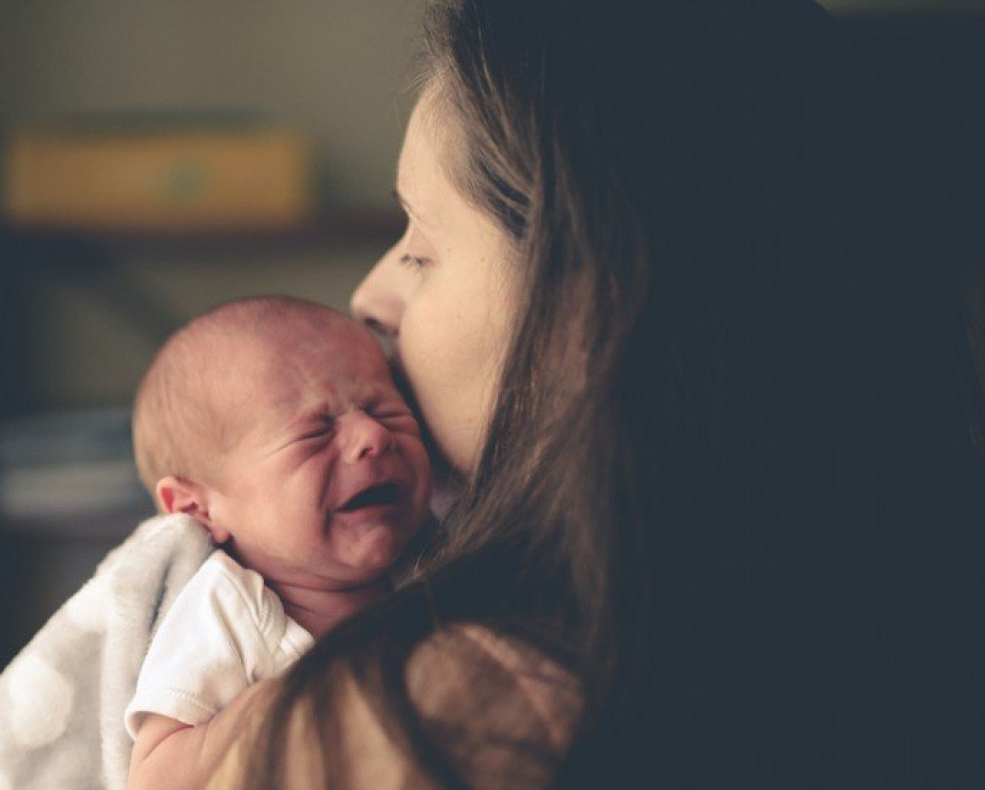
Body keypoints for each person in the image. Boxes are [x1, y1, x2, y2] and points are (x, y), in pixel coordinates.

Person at [201, 1, 985, 787]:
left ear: (588, 307)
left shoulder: (433, 720)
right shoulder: (907, 618)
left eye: (421, 250)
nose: (367, 298)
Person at [125, 296, 433, 789]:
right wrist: (287, 698)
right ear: (197, 509)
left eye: (386, 409)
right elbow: (156, 779)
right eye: (315, 431)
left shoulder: (438, 563)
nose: (372, 435)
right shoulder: (228, 610)